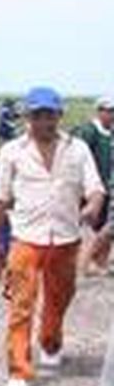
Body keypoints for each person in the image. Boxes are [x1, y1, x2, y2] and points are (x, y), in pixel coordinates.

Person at [0, 86, 106, 386]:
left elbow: (95, 188)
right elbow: (0, 200)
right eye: (38, 115)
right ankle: (20, 370)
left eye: (50, 115)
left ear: (60, 116)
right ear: (28, 117)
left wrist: (93, 205)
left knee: (59, 298)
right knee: (21, 305)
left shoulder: (78, 149)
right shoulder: (12, 152)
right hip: (26, 238)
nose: (45, 121)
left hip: (66, 238)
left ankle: (50, 341)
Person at [77, 97, 114, 276]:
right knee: (91, 227)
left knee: (104, 226)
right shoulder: (89, 132)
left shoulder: (110, 133)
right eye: (108, 110)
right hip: (91, 188)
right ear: (99, 111)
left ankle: (100, 263)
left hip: (107, 186)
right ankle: (85, 264)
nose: (111, 114)